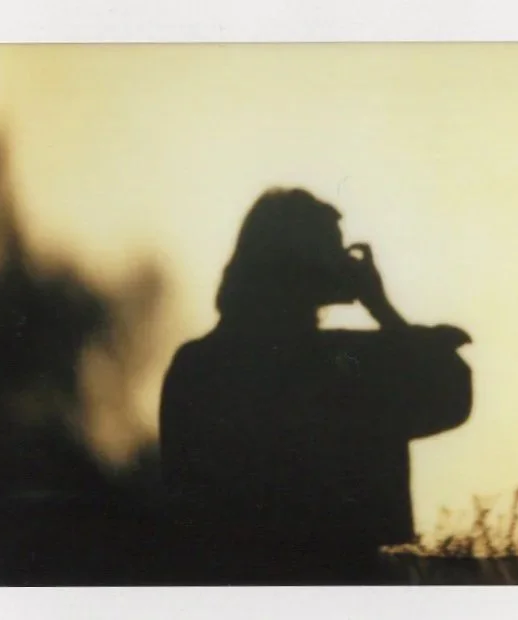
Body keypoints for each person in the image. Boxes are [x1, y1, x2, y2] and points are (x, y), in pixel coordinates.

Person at [158, 188, 473, 584]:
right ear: (296, 262)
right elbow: (446, 393)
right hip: (338, 574)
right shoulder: (339, 363)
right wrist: (383, 308)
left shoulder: (198, 363)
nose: (345, 263)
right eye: (332, 250)